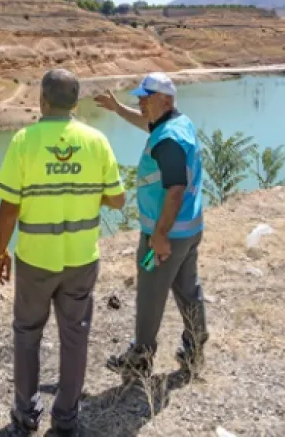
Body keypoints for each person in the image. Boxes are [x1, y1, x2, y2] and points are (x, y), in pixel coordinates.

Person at [0, 68, 126, 436]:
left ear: (42, 100)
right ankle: (66, 419)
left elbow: (9, 207)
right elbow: (117, 200)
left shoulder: (24, 140)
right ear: (76, 103)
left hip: (36, 259)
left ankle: (25, 415)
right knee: (75, 336)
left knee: (27, 333)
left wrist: (0, 253)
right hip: (81, 259)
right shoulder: (96, 141)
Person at [93, 71, 208, 377]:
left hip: (165, 236)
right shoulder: (177, 124)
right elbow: (148, 125)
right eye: (140, 98)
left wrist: (158, 236)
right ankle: (195, 349)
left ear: (165, 99)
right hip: (188, 230)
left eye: (146, 98)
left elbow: (175, 190)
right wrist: (119, 110)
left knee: (149, 293)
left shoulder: (168, 139)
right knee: (188, 291)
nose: (141, 103)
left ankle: (140, 358)